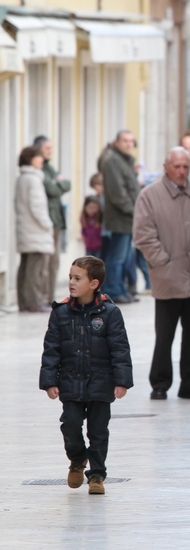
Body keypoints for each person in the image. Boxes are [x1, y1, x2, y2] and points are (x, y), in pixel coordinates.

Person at [39, 256, 133, 495]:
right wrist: (49, 381)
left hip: (101, 381)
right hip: (70, 381)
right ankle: (77, 459)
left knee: (98, 431)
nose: (71, 282)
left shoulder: (110, 313)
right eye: (70, 277)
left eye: (77, 278)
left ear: (94, 283)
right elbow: (51, 349)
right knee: (70, 424)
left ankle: (97, 474)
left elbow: (120, 349)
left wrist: (122, 381)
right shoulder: (60, 313)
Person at [133, 147, 190, 400]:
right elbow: (143, 235)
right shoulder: (149, 196)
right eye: (177, 166)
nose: (181, 171)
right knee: (164, 335)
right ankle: (160, 383)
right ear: (166, 167)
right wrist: (163, 263)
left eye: (185, 166)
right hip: (167, 278)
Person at [101, 130, 141, 304]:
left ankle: (121, 289)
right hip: (120, 218)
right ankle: (113, 290)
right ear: (117, 142)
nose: (129, 144)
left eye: (131, 141)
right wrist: (134, 210)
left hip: (129, 219)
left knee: (124, 258)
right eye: (125, 140)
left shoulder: (125, 161)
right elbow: (117, 193)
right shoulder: (113, 161)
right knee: (117, 258)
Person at [15, 146, 55, 313]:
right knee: (35, 269)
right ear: (30, 159)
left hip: (27, 229)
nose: (42, 160)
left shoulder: (23, 178)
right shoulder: (33, 179)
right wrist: (48, 224)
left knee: (25, 267)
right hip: (35, 230)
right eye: (38, 157)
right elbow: (37, 207)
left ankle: (24, 302)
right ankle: (35, 302)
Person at [33, 135, 71, 304]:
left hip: (57, 219)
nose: (50, 151)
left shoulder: (49, 168)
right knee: (45, 263)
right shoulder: (38, 170)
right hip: (46, 220)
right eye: (47, 148)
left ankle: (49, 297)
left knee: (54, 262)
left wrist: (58, 184)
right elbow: (52, 189)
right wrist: (57, 184)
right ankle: (42, 296)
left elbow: (67, 184)